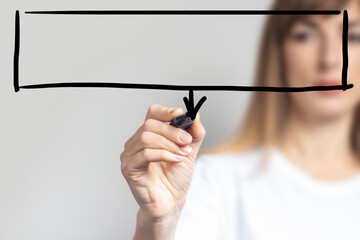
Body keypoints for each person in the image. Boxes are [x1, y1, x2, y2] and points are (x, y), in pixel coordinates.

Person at [120, 0, 360, 239]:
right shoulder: (212, 182)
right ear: (277, 52)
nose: (330, 59)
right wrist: (158, 224)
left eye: (353, 36)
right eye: (305, 36)